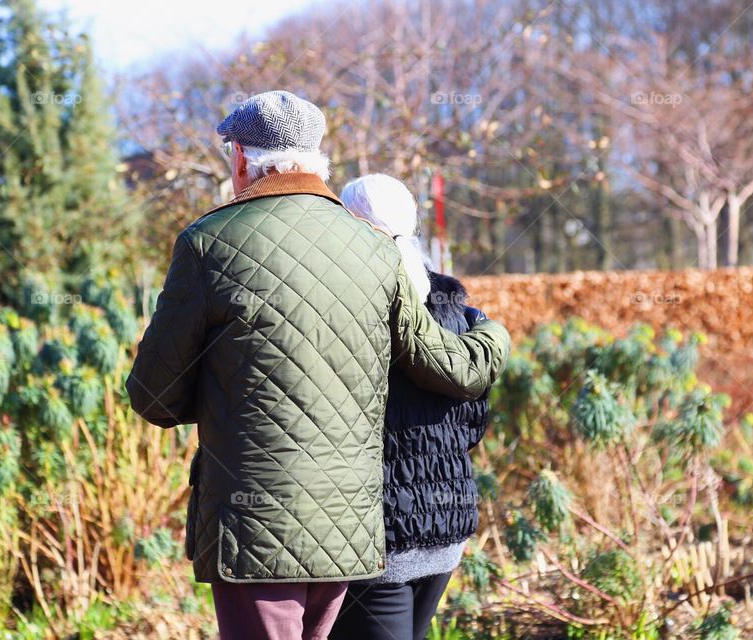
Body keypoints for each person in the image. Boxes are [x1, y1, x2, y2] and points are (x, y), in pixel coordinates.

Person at [125, 90, 511, 640]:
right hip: (349, 528)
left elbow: (154, 397)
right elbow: (445, 365)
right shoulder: (376, 249)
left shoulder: (208, 243)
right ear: (316, 159)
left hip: (254, 527)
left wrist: (219, 391)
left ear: (240, 158)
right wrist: (491, 333)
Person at [330, 174, 491, 640]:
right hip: (447, 524)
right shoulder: (450, 302)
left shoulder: (352, 306)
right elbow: (474, 418)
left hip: (381, 537)